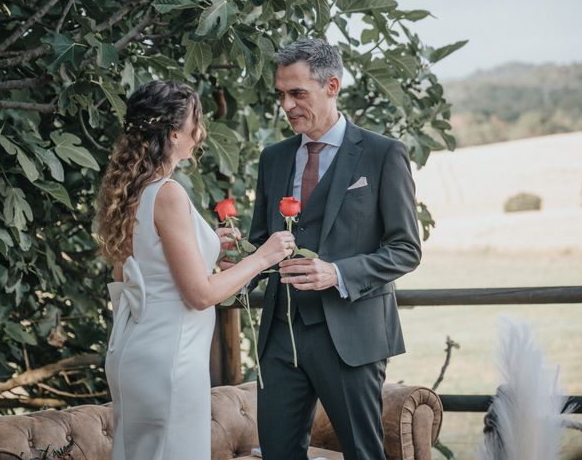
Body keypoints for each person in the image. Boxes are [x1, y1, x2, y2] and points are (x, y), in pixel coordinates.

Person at [95, 80, 295, 460]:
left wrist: (208, 244)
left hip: (133, 351)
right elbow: (200, 294)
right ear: (174, 133)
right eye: (194, 122)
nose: (199, 131)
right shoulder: (168, 193)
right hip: (171, 357)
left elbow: (134, 271)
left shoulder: (133, 192)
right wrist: (264, 256)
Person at [248, 39, 422, 459]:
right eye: (281, 94)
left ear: (332, 85)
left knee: (363, 452)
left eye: (297, 93)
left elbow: (405, 249)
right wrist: (238, 260)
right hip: (280, 335)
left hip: (351, 334)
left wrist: (337, 274)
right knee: (277, 453)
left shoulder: (383, 154)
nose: (286, 105)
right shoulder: (273, 158)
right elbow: (261, 240)